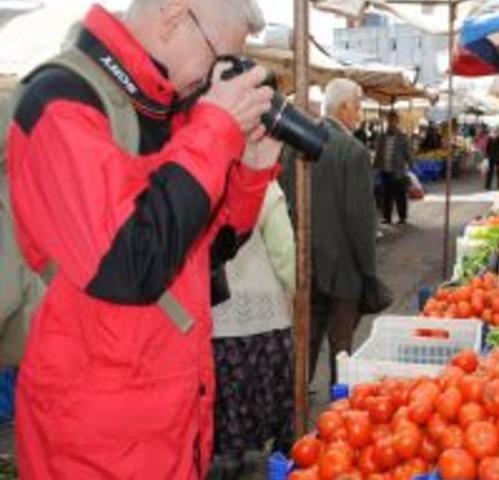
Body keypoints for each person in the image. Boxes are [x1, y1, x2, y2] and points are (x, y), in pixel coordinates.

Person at [6, 1, 282, 478]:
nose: (217, 78)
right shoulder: (62, 101)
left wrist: (251, 174)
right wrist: (215, 130)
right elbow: (130, 264)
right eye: (220, 59)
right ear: (176, 16)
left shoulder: (165, 109)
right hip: (93, 448)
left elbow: (201, 253)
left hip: (169, 427)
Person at [281, 78, 378, 385]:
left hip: (303, 263)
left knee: (304, 345)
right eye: (358, 107)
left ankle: (293, 415)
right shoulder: (354, 151)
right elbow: (360, 221)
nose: (359, 114)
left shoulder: (294, 144)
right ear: (345, 107)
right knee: (341, 348)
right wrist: (368, 271)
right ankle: (339, 415)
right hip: (343, 270)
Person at [211, 181, 295, 479]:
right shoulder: (264, 185)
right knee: (266, 406)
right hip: (264, 319)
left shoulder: (202, 177)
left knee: (226, 416)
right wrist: (292, 289)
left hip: (214, 322)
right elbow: (284, 253)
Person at [375, 111, 413, 224]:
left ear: (397, 122)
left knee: (400, 195)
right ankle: (387, 217)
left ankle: (402, 217)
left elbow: (408, 153)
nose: (391, 123)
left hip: (398, 171)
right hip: (385, 170)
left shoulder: (402, 137)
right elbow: (378, 153)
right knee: (386, 195)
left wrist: (411, 164)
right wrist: (375, 166)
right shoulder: (382, 137)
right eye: (389, 121)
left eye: (393, 121)